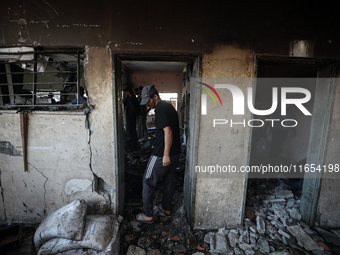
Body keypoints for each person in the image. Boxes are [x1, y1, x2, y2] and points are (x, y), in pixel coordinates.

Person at [135, 85, 181, 224]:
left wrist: (165, 154)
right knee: (168, 181)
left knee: (148, 181)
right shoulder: (169, 107)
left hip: (162, 153)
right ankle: (166, 208)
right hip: (175, 152)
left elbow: (168, 132)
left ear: (155, 96)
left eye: (148, 101)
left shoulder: (160, 108)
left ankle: (148, 214)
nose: (147, 104)